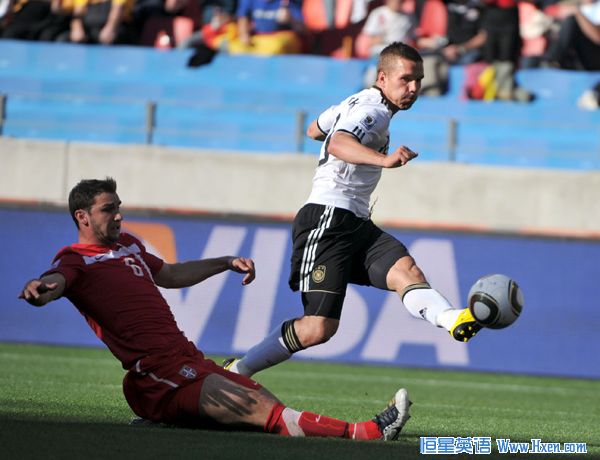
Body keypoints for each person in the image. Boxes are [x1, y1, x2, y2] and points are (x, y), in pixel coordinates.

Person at [18, 177, 411, 441]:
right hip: (157, 374)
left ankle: (169, 416)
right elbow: (56, 281)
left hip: (188, 359)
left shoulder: (129, 246)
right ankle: (365, 433)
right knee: (268, 413)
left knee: (262, 407)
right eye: (108, 209)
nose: (118, 215)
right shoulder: (76, 259)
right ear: (82, 217)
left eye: (118, 206)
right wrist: (41, 290)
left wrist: (223, 262)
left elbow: (169, 274)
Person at [224, 42, 482, 380]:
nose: (414, 88)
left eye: (418, 80)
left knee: (408, 272)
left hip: (355, 220)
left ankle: (452, 319)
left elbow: (315, 129)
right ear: (382, 78)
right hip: (328, 218)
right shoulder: (372, 112)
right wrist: (382, 159)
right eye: (406, 79)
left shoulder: (357, 101)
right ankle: (236, 371)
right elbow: (335, 142)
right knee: (318, 329)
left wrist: (345, 134)